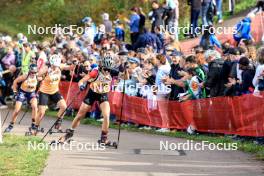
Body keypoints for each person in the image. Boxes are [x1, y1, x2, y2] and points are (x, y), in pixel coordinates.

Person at [57, 55, 115, 144]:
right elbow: (81, 81)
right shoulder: (95, 72)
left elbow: (125, 77)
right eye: (105, 69)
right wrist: (81, 86)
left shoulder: (112, 72)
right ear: (102, 66)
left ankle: (104, 138)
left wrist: (126, 70)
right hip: (92, 94)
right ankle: (69, 133)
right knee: (80, 115)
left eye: (109, 69)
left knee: (106, 115)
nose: (107, 71)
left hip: (103, 94)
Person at [33, 54, 70, 135]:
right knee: (42, 111)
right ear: (51, 63)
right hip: (44, 92)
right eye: (53, 65)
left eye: (56, 65)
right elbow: (37, 75)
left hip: (54, 91)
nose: (55, 67)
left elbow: (69, 67)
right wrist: (40, 77)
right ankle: (36, 126)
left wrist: (75, 64)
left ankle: (58, 123)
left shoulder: (60, 66)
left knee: (64, 107)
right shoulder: (46, 68)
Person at [4, 64, 39, 133]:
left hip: (31, 93)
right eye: (32, 72)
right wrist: (14, 91)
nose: (33, 74)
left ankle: (33, 124)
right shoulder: (25, 76)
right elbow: (15, 81)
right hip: (22, 92)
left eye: (35, 72)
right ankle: (11, 125)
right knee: (17, 110)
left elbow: (43, 81)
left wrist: (39, 92)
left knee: (35, 107)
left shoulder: (37, 76)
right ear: (29, 71)